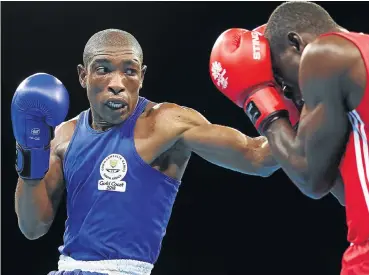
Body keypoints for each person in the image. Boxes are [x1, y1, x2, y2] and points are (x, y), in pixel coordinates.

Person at [12, 28, 297, 275]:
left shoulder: (166, 123)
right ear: (83, 75)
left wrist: (298, 103)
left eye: (129, 71)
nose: (117, 84)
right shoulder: (64, 135)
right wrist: (30, 150)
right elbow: (32, 227)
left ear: (142, 75)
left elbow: (258, 158)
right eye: (103, 69)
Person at [209, 1, 369, 274]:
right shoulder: (358, 59)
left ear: (296, 43)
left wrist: (258, 97)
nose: (286, 91)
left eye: (281, 80)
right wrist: (295, 113)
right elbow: (346, 193)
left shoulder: (324, 54)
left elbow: (310, 179)